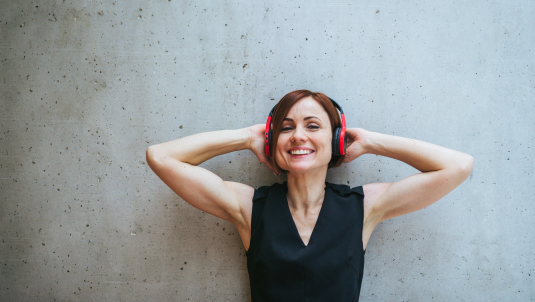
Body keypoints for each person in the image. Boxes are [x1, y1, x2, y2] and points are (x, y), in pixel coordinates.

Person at [145, 89, 474, 301]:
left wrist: (371, 141)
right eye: (286, 128)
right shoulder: (250, 208)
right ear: (272, 142)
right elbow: (161, 157)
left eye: (313, 126)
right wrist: (245, 138)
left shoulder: (363, 208)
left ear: (336, 141)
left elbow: (458, 166)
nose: (297, 136)